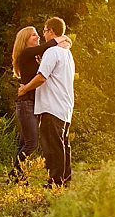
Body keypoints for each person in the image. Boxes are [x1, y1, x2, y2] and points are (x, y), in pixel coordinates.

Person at [16, 17, 75, 187]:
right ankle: (64, 179)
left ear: (50, 31)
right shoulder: (67, 53)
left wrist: (25, 88)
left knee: (52, 146)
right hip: (65, 104)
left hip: (52, 105)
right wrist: (66, 40)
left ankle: (56, 181)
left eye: (43, 31)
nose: (41, 35)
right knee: (63, 144)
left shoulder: (51, 52)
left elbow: (41, 77)